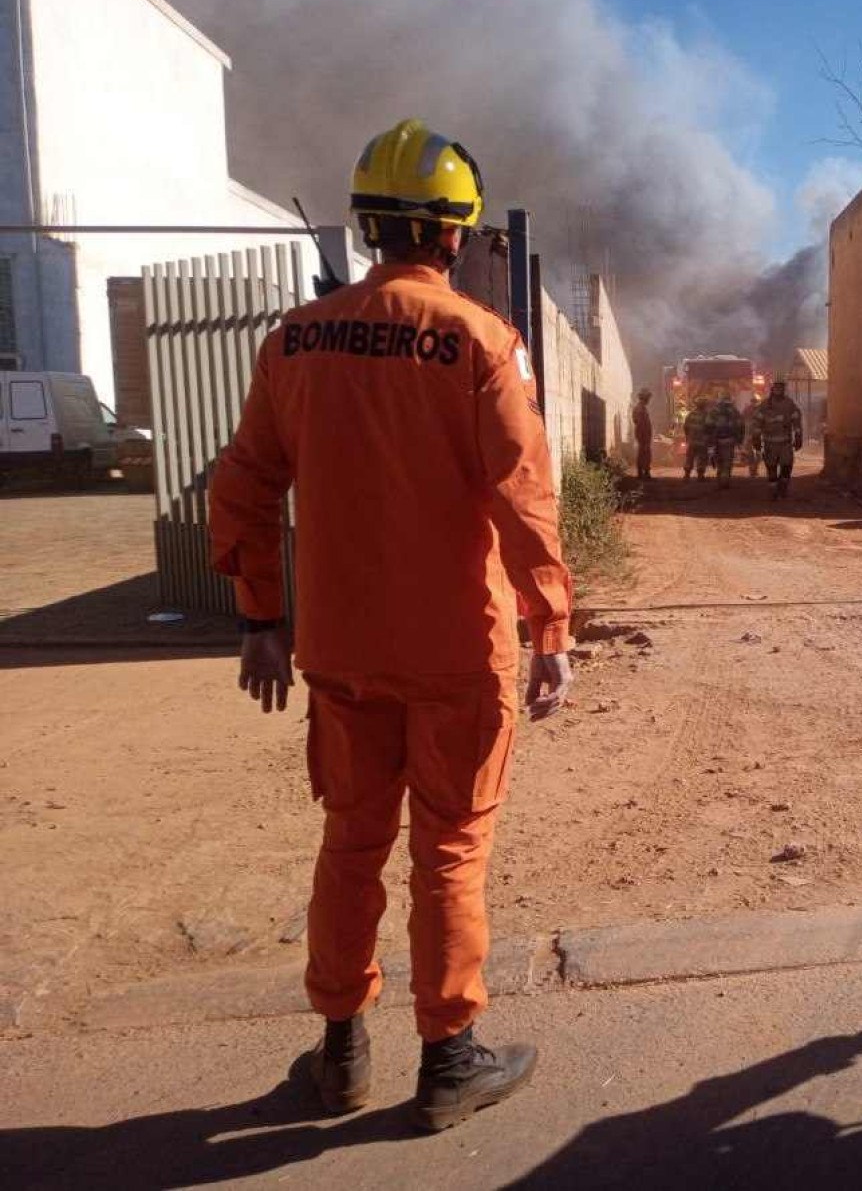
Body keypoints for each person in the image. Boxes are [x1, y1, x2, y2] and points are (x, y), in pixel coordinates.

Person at [208, 119, 575, 1133]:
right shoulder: (482, 345)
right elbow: (524, 500)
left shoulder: (294, 340)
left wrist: (261, 621)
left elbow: (240, 489)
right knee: (450, 851)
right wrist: (551, 627)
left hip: (340, 655)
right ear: (456, 235)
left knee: (351, 844)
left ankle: (338, 1054)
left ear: (367, 225)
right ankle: (451, 1058)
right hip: (457, 653)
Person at [753, 380, 804, 499]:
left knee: (786, 466)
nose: (778, 390)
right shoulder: (765, 405)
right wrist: (756, 438)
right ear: (773, 389)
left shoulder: (789, 404)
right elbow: (757, 422)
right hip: (769, 443)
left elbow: (796, 420)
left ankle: (783, 487)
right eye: (776, 388)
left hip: (785, 443)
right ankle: (773, 491)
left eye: (780, 388)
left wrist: (798, 436)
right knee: (771, 467)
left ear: (783, 390)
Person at [706, 394, 745, 488]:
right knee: (727, 461)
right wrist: (740, 440)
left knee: (719, 461)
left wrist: (710, 440)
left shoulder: (713, 411)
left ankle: (720, 480)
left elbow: (708, 425)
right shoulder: (734, 411)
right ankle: (725, 480)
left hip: (716, 441)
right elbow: (740, 425)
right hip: (729, 440)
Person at [683, 396, 711, 480]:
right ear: (704, 405)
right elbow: (710, 427)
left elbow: (685, 426)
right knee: (702, 458)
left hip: (692, 441)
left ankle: (687, 475)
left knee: (689, 457)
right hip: (702, 441)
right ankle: (700, 475)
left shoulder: (691, 414)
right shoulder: (707, 415)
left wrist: (688, 437)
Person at [632, 389, 654, 479]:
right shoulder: (640, 409)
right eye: (648, 398)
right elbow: (640, 423)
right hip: (643, 434)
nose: (649, 400)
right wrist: (644, 436)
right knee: (644, 453)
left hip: (643, 434)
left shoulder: (641, 408)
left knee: (643, 452)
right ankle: (644, 473)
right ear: (644, 398)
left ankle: (643, 473)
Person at [741, 391, 762, 477]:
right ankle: (752, 470)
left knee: (756, 455)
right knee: (754, 454)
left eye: (755, 401)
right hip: (753, 436)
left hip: (755, 436)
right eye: (753, 401)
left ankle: (753, 469)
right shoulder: (757, 410)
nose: (754, 403)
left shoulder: (748, 409)